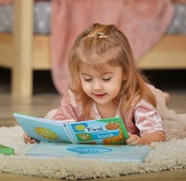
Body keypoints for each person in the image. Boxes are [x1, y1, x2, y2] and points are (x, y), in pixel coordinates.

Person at [24, 23, 167, 145]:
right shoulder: (75, 97)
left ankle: (163, 96)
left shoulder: (137, 99)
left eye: (106, 79)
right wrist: (38, 135)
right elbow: (63, 129)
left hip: (141, 92)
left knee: (157, 101)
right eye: (87, 79)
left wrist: (141, 141)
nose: (96, 87)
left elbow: (157, 134)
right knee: (52, 116)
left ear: (125, 73)